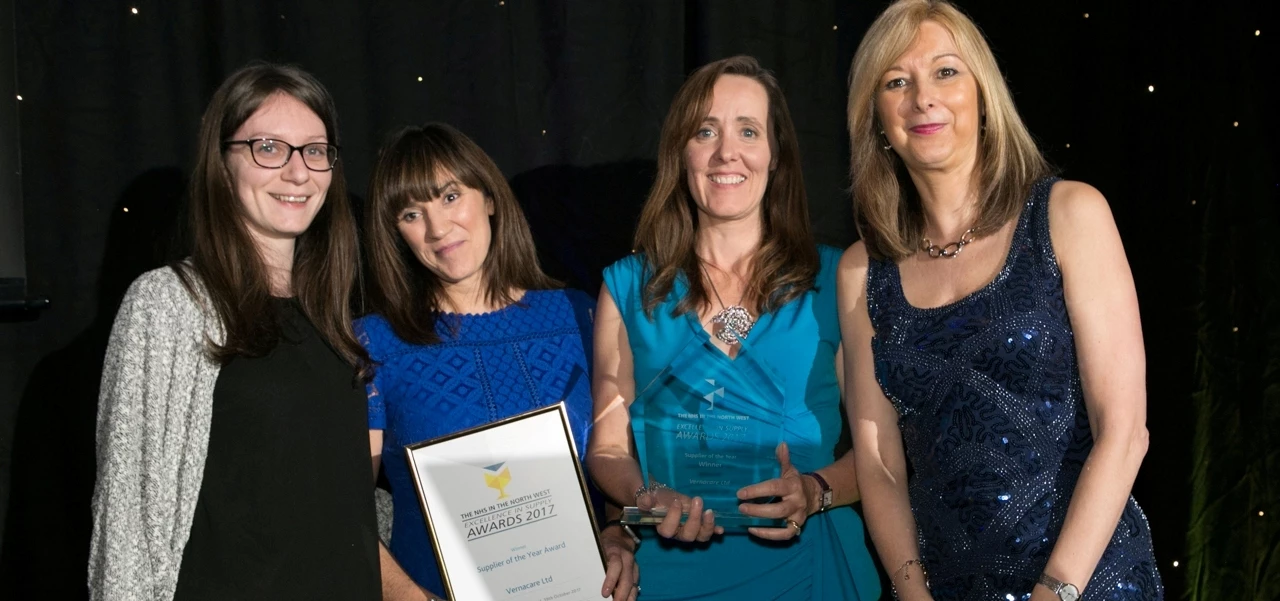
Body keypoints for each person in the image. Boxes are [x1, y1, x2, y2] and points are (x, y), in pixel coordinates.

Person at [839, 2, 1164, 600]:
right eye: (896, 82)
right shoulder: (863, 271)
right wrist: (914, 595)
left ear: (983, 95)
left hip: (1088, 584)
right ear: (876, 117)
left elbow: (1125, 431)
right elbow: (880, 464)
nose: (922, 98)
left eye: (945, 71)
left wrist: (1054, 592)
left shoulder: (1069, 215)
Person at [586, 55, 881, 601]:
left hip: (811, 567)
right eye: (706, 131)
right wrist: (647, 496)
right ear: (681, 153)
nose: (727, 152)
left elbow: (884, 450)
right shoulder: (627, 289)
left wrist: (815, 491)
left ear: (776, 157)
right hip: (674, 574)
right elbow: (607, 448)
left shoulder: (838, 278)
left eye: (748, 131)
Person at [89, 63, 379, 601]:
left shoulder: (332, 315)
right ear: (222, 165)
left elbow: (326, 500)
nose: (298, 172)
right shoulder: (169, 302)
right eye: (269, 147)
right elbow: (125, 512)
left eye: (315, 150)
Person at [358, 123, 639, 601]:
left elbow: (617, 459)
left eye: (449, 197)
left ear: (489, 197)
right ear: (396, 233)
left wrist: (618, 534)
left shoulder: (580, 314)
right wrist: (406, 596)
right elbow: (346, 507)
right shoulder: (376, 342)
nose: (438, 228)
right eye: (411, 213)